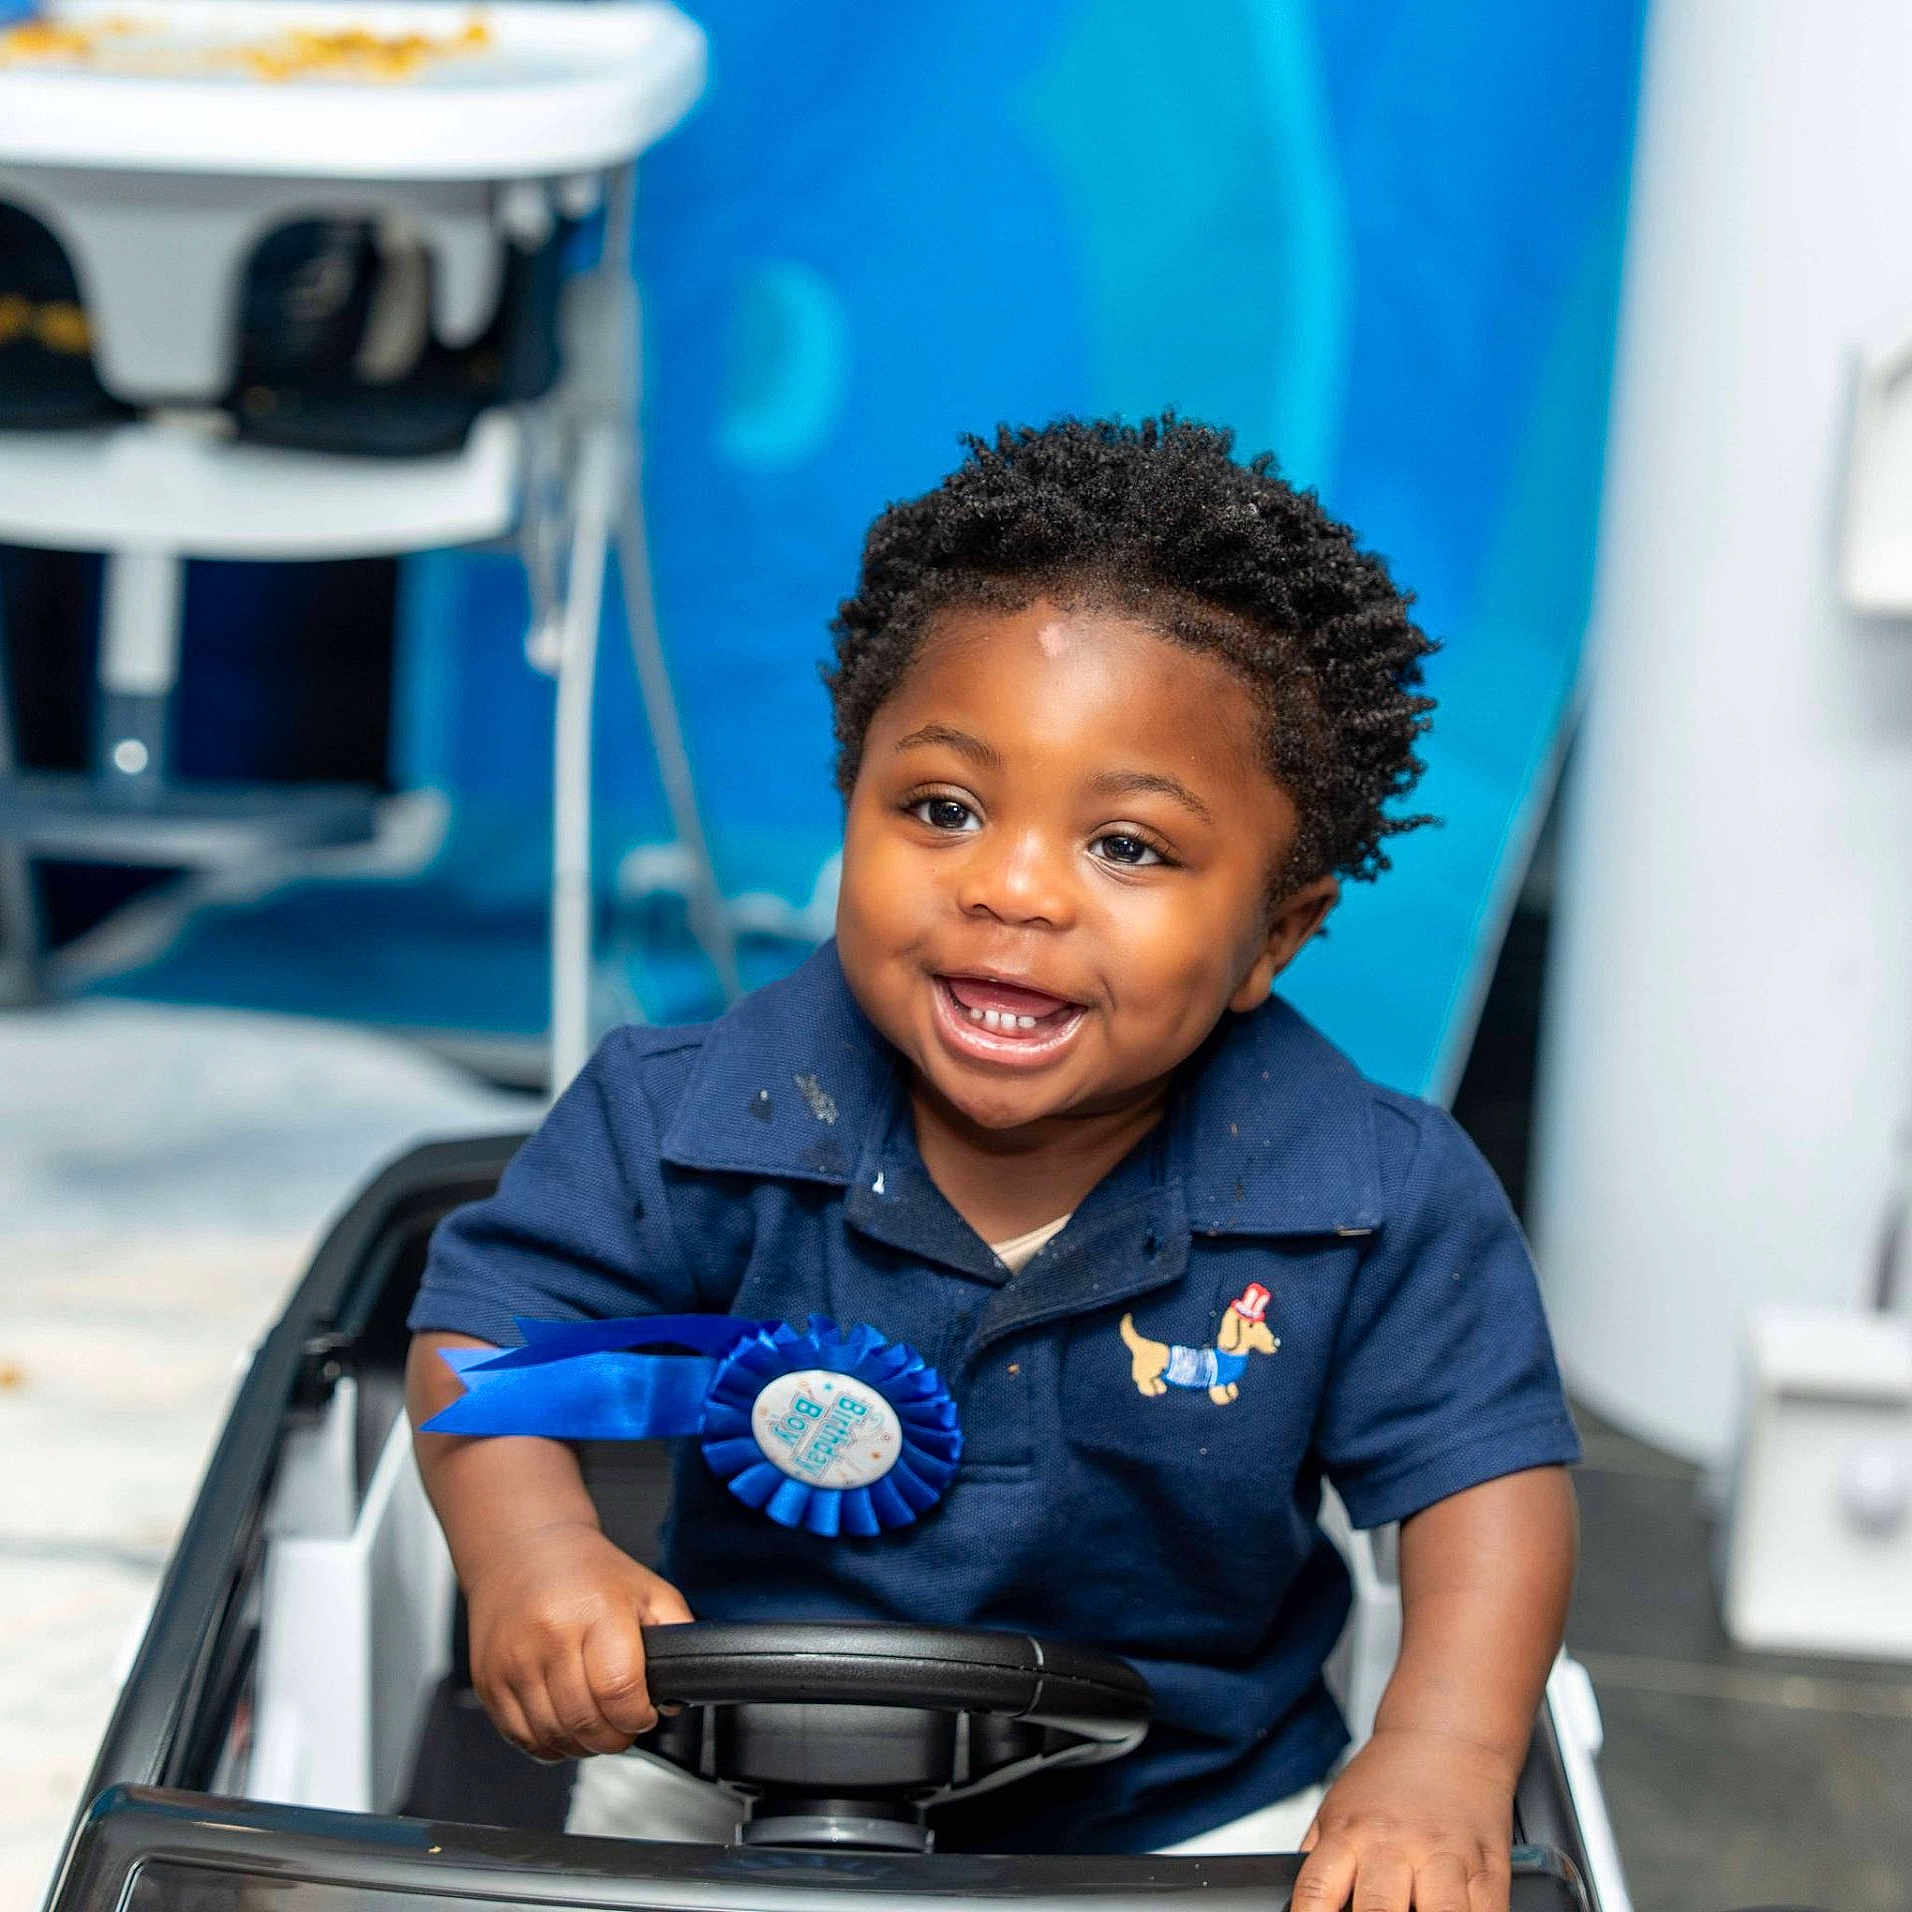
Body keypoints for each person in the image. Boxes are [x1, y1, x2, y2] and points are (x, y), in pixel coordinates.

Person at [406, 415, 1580, 1909]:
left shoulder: (1367, 1195)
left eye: (1128, 847)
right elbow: (488, 1347)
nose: (1013, 888)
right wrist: (532, 1555)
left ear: (1272, 938)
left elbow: (1491, 1483)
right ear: (850, 803)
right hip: (719, 1769)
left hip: (1195, 1811)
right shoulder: (687, 1120)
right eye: (943, 810)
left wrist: (1439, 1755)